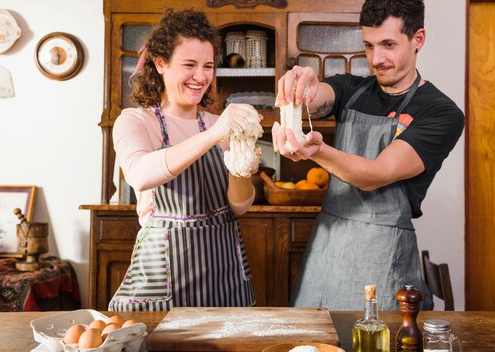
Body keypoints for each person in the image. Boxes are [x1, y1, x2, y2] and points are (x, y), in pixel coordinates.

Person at [272, 0, 464, 310]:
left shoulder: (441, 113)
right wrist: (304, 87)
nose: (377, 59)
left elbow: (376, 174)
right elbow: (320, 96)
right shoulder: (352, 89)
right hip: (327, 245)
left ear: (418, 39)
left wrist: (318, 151)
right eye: (369, 46)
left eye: (388, 45)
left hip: (382, 256)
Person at [109, 8, 258, 311]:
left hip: (224, 273)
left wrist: (243, 164)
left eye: (208, 66)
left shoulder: (220, 124)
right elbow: (139, 173)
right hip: (164, 279)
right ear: (160, 63)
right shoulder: (136, 121)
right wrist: (214, 134)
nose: (201, 77)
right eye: (189, 65)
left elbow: (239, 207)